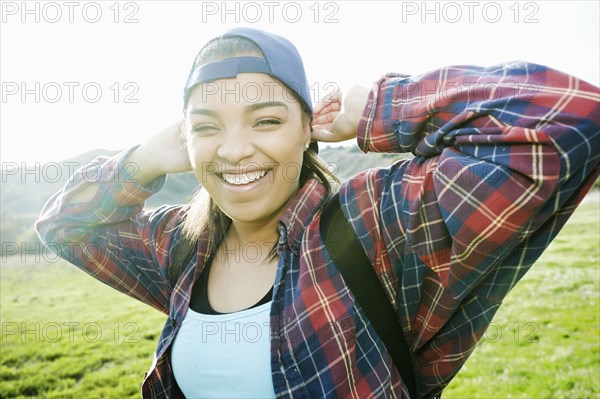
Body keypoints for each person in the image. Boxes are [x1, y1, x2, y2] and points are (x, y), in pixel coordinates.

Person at [36, 27, 599, 399]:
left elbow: (573, 119)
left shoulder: (377, 224)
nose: (233, 151)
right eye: (207, 127)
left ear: (308, 129)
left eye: (266, 121)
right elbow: (65, 227)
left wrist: (380, 108)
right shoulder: (181, 245)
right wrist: (139, 163)